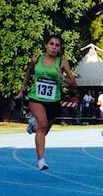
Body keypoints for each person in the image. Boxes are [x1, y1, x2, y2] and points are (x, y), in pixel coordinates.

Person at [21, 35, 77, 171]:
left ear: (59, 49)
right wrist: (23, 89)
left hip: (53, 101)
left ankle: (33, 127)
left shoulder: (62, 63)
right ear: (46, 45)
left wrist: (62, 78)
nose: (54, 47)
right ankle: (41, 161)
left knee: (43, 130)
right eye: (51, 44)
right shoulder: (37, 59)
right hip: (36, 98)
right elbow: (28, 74)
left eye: (57, 45)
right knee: (43, 124)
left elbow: (74, 84)